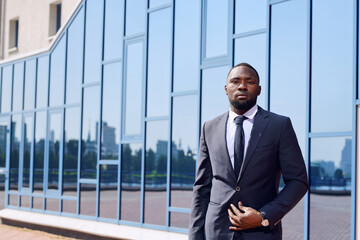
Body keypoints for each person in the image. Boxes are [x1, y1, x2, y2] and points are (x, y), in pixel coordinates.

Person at [189, 63, 308, 240]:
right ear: (226, 88)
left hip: (261, 233)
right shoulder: (209, 128)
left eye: (249, 82)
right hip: (215, 232)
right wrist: (195, 236)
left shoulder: (279, 126)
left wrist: (264, 216)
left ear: (259, 89)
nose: (242, 86)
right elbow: (202, 187)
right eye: (235, 81)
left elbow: (298, 181)